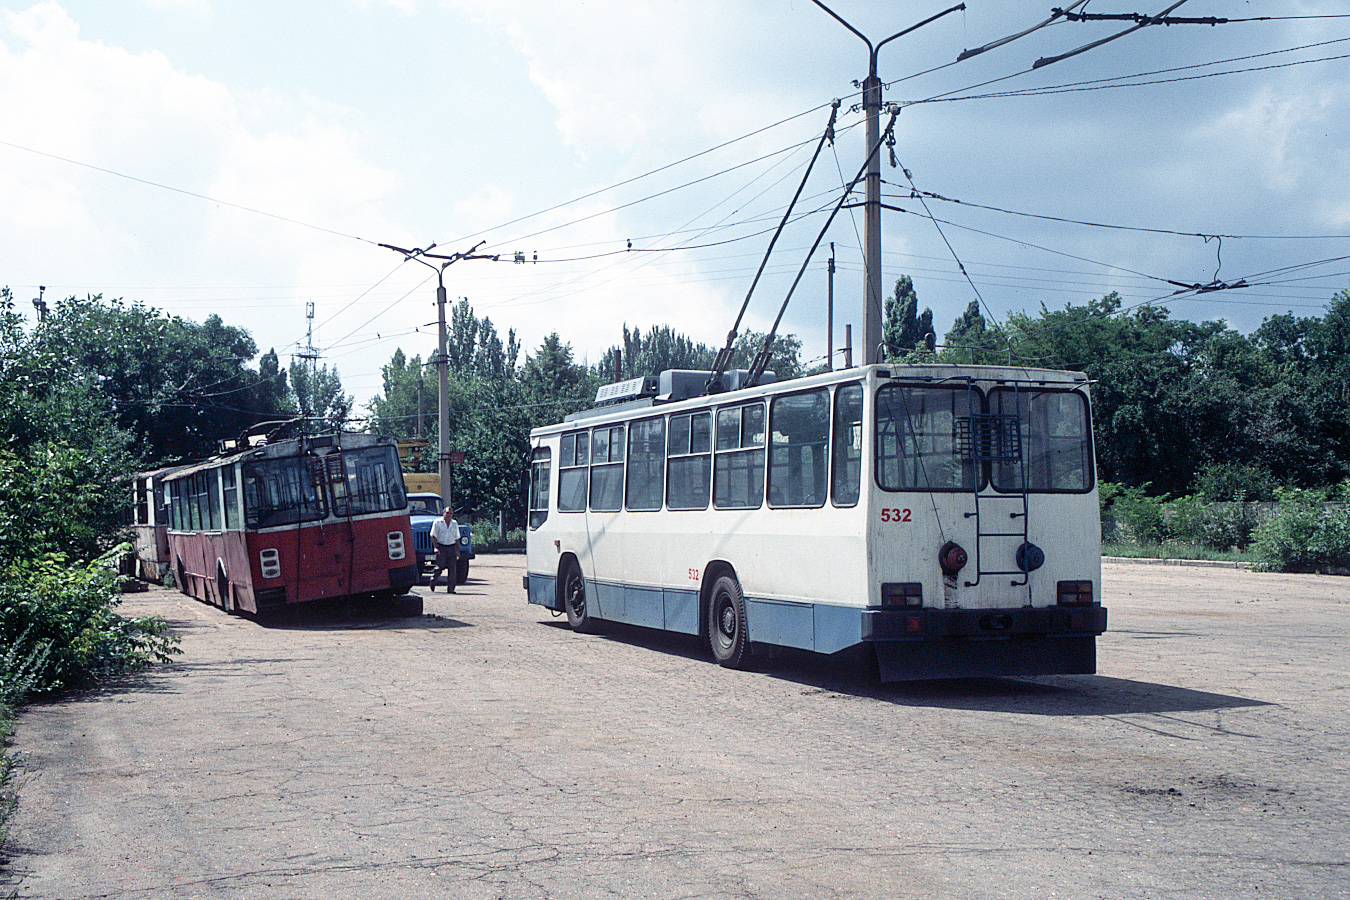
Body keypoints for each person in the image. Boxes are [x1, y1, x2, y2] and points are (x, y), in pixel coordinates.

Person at [429, 504, 460, 593]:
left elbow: (456, 538)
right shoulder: (437, 522)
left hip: (451, 547)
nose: (448, 515)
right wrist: (436, 548)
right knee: (439, 567)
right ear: (443, 513)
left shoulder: (454, 523)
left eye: (450, 513)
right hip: (441, 547)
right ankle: (433, 580)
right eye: (447, 513)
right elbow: (434, 536)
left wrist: (458, 551)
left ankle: (451, 589)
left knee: (452, 569)